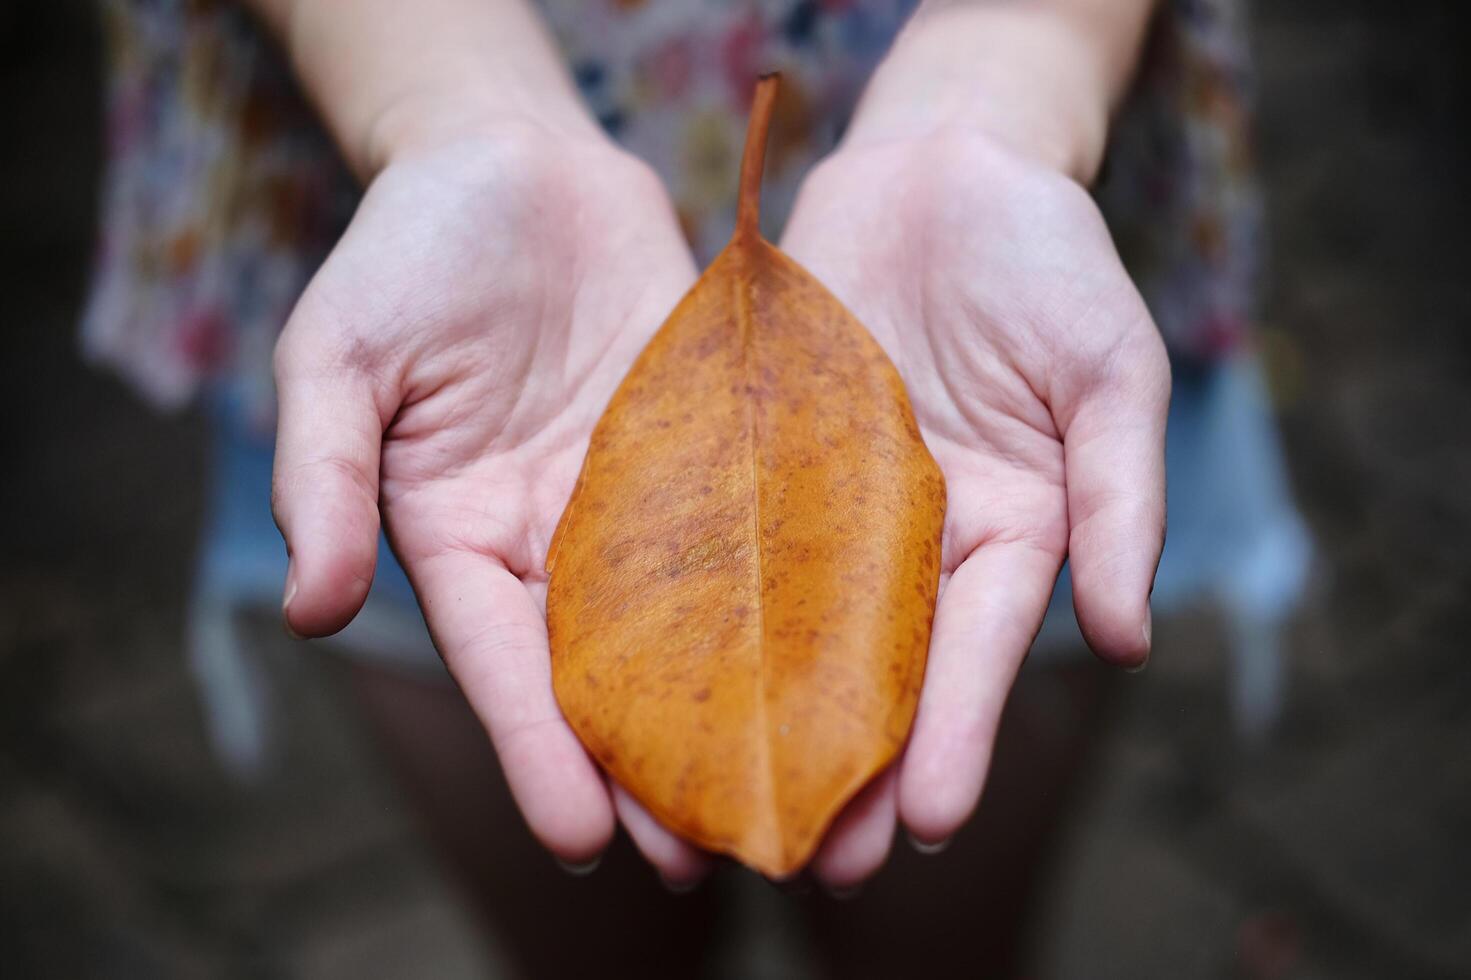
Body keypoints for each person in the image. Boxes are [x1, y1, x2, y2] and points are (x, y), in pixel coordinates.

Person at [84, 0, 1309, 966]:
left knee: (943, 940)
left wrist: (1018, 65)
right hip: (447, 275)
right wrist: (440, 92)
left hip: (984, 285)